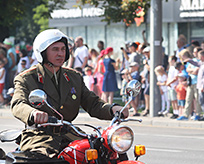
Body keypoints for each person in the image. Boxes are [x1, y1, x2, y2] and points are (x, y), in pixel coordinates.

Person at [11, 29, 127, 157]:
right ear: (42, 53)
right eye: (55, 49)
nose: (60, 53)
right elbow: (18, 104)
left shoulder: (73, 77)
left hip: (70, 133)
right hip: (40, 136)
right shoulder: (27, 78)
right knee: (46, 161)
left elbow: (92, 103)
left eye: (63, 49)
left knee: (107, 152)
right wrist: (33, 113)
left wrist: (113, 109)